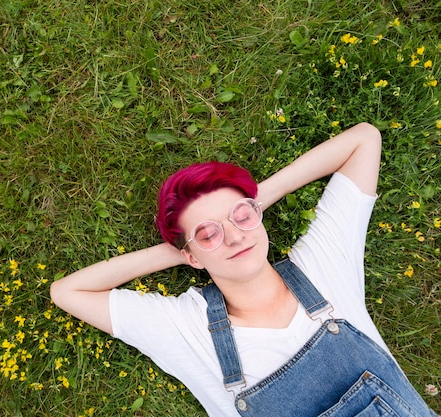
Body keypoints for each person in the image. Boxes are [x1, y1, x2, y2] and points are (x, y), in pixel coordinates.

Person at [50, 123, 438, 416]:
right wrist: (179, 250)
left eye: (240, 217)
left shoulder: (324, 265)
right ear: (192, 257)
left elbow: (364, 140)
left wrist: (256, 199)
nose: (234, 237)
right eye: (208, 234)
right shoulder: (186, 329)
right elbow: (68, 292)